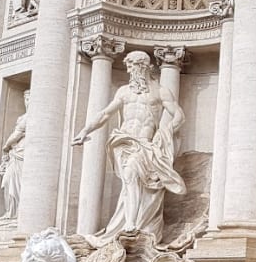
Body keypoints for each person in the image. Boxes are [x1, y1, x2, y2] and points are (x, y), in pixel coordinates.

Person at [73, 51, 185, 242]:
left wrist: (163, 133)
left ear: (142, 66)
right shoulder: (124, 91)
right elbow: (104, 114)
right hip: (123, 140)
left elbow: (179, 116)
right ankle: (130, 222)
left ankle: (132, 223)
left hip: (144, 143)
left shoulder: (160, 91)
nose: (128, 70)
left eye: (131, 66)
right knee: (129, 180)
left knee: (132, 175)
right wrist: (85, 131)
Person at [0, 97, 27, 221]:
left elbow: (17, 134)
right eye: (25, 98)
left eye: (29, 98)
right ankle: (11, 212)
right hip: (15, 154)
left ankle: (15, 213)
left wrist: (6, 146)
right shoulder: (22, 117)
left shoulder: (28, 118)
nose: (27, 101)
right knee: (8, 181)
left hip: (21, 153)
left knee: (17, 183)